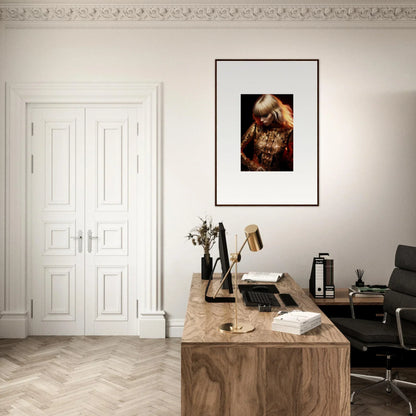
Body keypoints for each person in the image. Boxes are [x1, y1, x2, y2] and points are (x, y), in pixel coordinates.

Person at [241, 94, 293, 171]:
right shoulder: (256, 126)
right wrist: (252, 166)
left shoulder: (289, 132)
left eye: (265, 115)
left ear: (276, 112)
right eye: (260, 115)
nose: (261, 119)